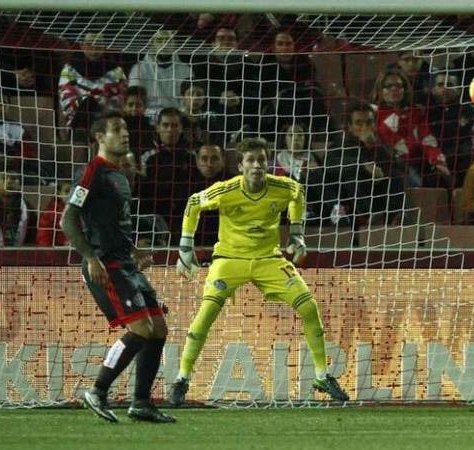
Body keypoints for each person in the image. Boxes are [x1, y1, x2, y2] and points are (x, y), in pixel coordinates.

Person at [168, 137, 349, 405]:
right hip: (230, 259)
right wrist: (185, 247)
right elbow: (194, 203)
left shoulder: (282, 186)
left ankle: (322, 375)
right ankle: (182, 378)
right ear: (240, 165)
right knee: (206, 314)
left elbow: (297, 193)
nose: (257, 165)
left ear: (268, 164)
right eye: (250, 161)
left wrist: (297, 233)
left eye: (261, 160)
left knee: (309, 307)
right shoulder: (225, 190)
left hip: (268, 260)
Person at [60, 112, 175, 423]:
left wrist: (134, 249)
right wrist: (90, 257)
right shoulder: (92, 172)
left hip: (125, 261)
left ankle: (141, 403)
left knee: (159, 330)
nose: (124, 135)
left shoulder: (121, 173)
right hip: (105, 263)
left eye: (125, 129)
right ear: (100, 137)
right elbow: (68, 219)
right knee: (141, 329)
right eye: (116, 130)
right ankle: (97, 391)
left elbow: (112, 223)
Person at [36, 180, 72, 247]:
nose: (71, 195)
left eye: (74, 191)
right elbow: (44, 237)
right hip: (59, 252)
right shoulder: (51, 212)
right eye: (67, 191)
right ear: (59, 194)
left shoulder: (85, 211)